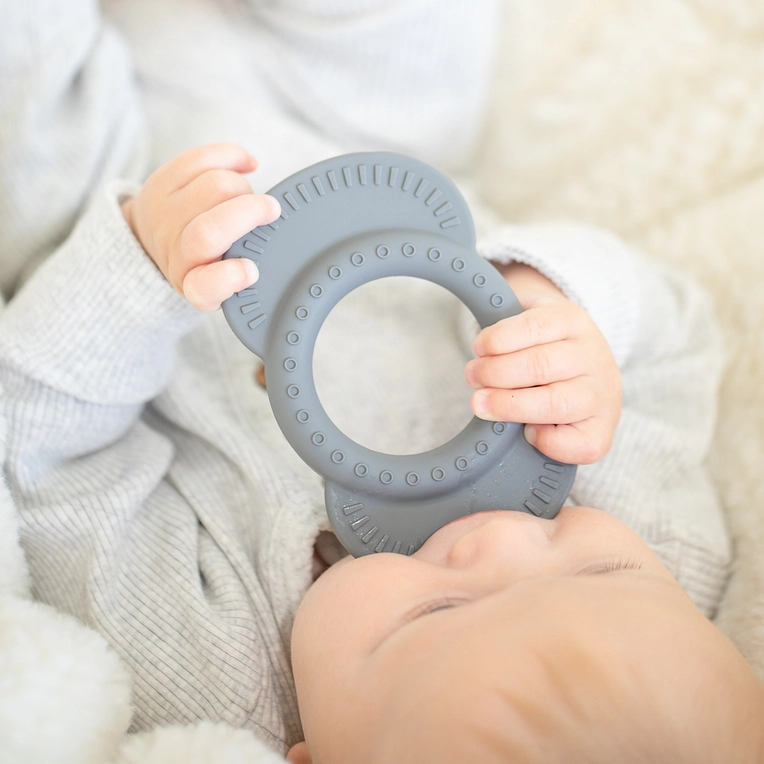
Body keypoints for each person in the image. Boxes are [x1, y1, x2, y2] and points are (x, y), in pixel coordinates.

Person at [0, 0, 757, 760]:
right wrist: (551, 302)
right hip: (367, 143)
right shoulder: (667, 553)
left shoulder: (210, 676)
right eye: (600, 567)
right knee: (418, 47)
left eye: (432, 614)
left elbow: (51, 464)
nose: (499, 542)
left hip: (98, 192)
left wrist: (135, 273)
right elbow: (679, 342)